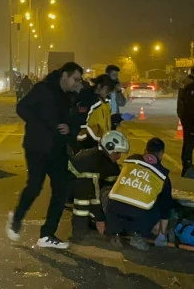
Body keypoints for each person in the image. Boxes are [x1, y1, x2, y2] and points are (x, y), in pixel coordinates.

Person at [8, 62, 85, 249]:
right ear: (64, 76)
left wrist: (71, 129)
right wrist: (41, 126)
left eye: (79, 80)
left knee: (61, 190)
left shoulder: (71, 97)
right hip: (37, 147)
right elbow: (22, 108)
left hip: (58, 149)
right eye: (75, 79)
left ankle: (47, 234)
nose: (77, 83)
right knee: (35, 186)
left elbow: (76, 119)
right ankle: (16, 218)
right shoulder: (43, 89)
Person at [104, 138, 174, 250]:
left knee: (112, 196)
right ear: (161, 154)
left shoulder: (131, 160)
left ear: (145, 151)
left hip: (113, 213)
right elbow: (165, 211)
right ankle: (138, 235)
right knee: (158, 206)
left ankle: (114, 233)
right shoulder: (162, 176)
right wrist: (162, 234)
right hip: (137, 218)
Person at [68, 130, 128, 241]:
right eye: (117, 153)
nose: (119, 156)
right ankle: (79, 234)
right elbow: (93, 195)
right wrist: (100, 219)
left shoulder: (108, 163)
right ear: (109, 150)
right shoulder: (93, 162)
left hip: (83, 181)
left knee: (94, 196)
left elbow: (112, 185)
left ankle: (90, 223)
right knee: (84, 202)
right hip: (68, 182)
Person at [176, 64, 194, 178]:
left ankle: (186, 168)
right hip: (190, 118)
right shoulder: (192, 84)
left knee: (187, 142)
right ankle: (188, 168)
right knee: (190, 143)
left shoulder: (185, 82)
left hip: (185, 116)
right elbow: (192, 104)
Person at [73, 75, 114, 151]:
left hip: (101, 142)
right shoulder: (87, 98)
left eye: (108, 91)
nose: (107, 93)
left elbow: (105, 121)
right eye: (106, 89)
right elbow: (81, 121)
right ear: (99, 86)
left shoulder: (106, 101)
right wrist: (89, 137)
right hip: (86, 143)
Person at [105, 64, 128, 129]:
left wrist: (118, 91)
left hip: (115, 118)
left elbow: (122, 103)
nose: (115, 77)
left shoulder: (116, 89)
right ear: (107, 75)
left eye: (117, 75)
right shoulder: (103, 89)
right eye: (113, 75)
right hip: (105, 119)